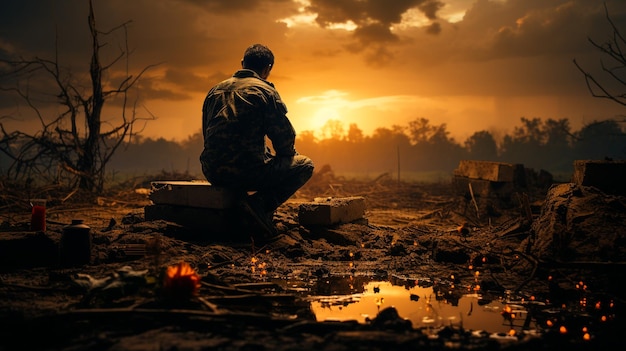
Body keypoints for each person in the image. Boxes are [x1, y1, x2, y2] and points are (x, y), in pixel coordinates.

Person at [200, 43, 314, 242]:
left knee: (254, 159)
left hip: (213, 172)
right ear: (268, 69)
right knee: (304, 165)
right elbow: (285, 140)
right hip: (249, 173)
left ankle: (242, 204)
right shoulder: (264, 91)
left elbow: (207, 136)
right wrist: (284, 157)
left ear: (242, 63)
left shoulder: (214, 91)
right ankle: (259, 206)